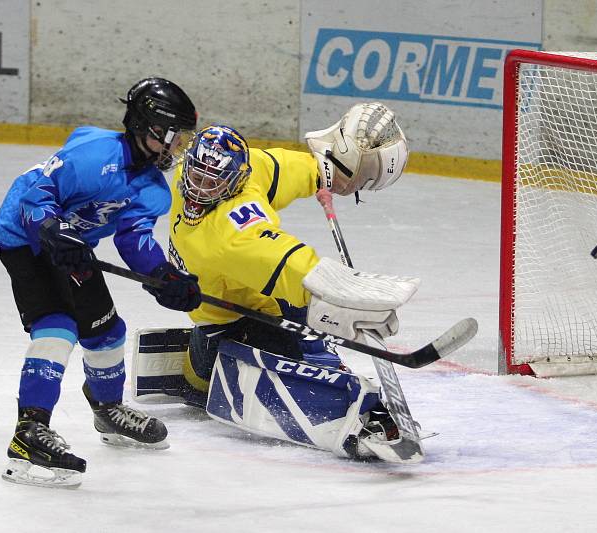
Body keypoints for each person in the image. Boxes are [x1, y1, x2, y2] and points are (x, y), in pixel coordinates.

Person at [153, 103, 416, 461]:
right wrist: (345, 300)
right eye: (197, 178)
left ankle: (203, 370)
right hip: (237, 330)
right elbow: (291, 267)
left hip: (220, 316)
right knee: (309, 345)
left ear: (237, 178)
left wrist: (324, 172)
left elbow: (281, 169)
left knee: (295, 323)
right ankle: (362, 418)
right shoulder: (229, 235)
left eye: (212, 182)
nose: (199, 189)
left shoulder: (203, 167)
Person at [0, 77, 202, 488]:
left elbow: (134, 238)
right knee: (58, 325)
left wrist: (162, 276)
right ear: (152, 128)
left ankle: (107, 410)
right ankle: (28, 435)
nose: (181, 148)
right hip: (25, 238)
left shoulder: (153, 188)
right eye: (178, 137)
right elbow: (36, 198)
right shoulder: (93, 156)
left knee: (106, 330)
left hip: (73, 247)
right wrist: (52, 230)